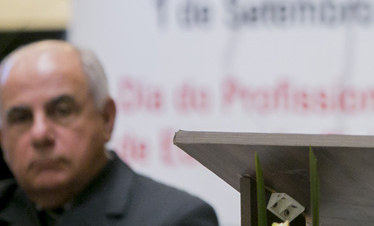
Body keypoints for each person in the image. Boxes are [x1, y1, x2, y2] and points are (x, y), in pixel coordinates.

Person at [0, 41, 218, 226]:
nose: (40, 134)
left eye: (62, 111)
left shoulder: (177, 218)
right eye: (21, 118)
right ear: (2, 137)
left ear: (106, 118)